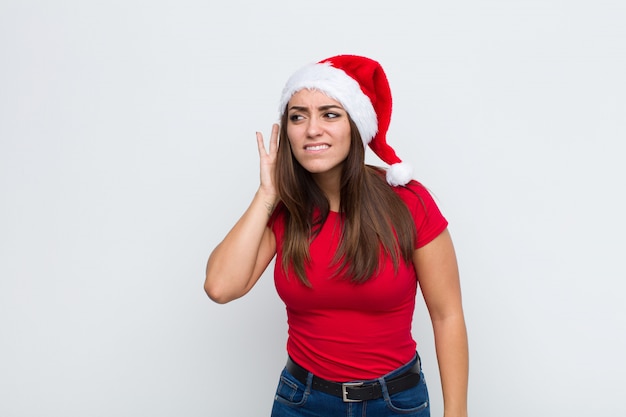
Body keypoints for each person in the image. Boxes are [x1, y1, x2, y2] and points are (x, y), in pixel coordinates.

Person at [205, 54, 468, 417]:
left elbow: (447, 315)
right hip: (303, 401)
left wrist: (457, 413)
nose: (312, 129)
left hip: (396, 403)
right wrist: (267, 194)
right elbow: (220, 287)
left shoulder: (408, 202)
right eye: (298, 116)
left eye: (330, 114)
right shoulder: (284, 208)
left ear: (355, 126)